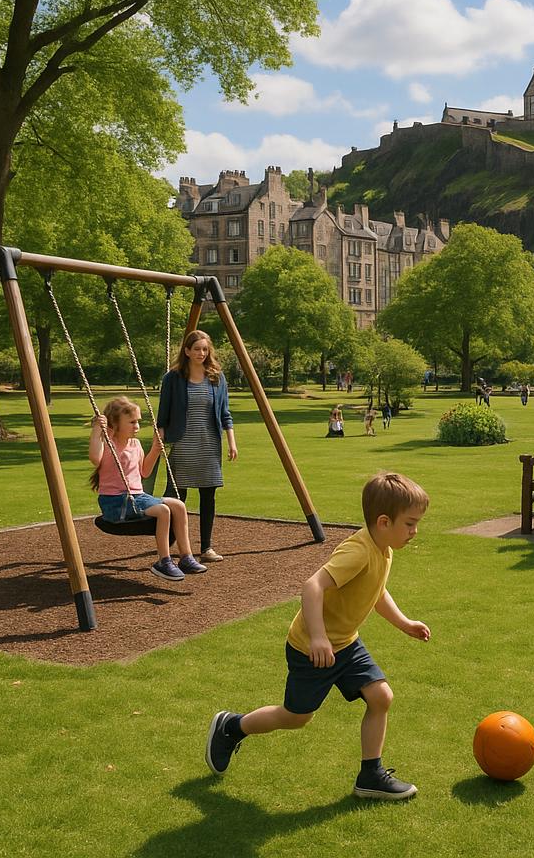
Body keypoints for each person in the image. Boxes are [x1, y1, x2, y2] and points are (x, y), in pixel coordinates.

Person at [204, 472, 431, 800]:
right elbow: (312, 587)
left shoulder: (383, 548)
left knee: (381, 697)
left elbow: (376, 590)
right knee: (296, 717)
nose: (414, 531)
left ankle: (370, 775)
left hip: (346, 644)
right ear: (384, 522)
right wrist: (319, 638)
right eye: (410, 524)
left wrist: (404, 623)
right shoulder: (359, 551)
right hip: (312, 649)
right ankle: (231, 727)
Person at [89, 396, 206, 581]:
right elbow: (95, 458)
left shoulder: (135, 444)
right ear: (116, 423)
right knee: (163, 511)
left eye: (138, 422)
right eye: (132, 422)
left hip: (137, 497)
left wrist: (155, 450)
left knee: (179, 506)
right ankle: (164, 561)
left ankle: (186, 557)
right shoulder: (108, 444)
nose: (137, 426)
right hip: (115, 501)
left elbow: (144, 471)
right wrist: (97, 429)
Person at [157, 330, 237, 564]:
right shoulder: (172, 378)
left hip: (209, 444)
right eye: (196, 349)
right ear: (187, 351)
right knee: (176, 497)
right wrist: (159, 441)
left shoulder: (217, 378)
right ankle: (169, 545)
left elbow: (225, 413)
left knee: (208, 496)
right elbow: (162, 415)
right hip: (182, 444)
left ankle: (206, 547)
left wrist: (231, 442)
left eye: (204, 349)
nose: (201, 353)